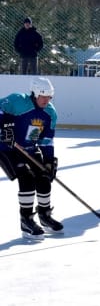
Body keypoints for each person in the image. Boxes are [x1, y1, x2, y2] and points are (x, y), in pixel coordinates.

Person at [0, 77, 62, 240]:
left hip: (29, 149)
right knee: (26, 177)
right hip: (7, 149)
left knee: (43, 177)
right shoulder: (16, 101)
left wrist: (48, 160)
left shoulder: (50, 113)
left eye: (49, 97)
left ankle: (44, 215)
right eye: (43, 96)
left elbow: (46, 139)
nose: (46, 100)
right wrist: (5, 126)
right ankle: (26, 220)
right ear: (34, 94)